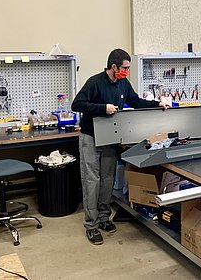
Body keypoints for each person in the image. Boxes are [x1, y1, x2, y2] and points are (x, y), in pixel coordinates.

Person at [71, 48, 169, 245]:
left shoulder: (123, 84)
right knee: (92, 181)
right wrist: (102, 108)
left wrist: (157, 104)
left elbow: (136, 101)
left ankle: (103, 218)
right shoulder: (95, 82)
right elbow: (77, 104)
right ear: (113, 66)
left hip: (109, 139)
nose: (127, 71)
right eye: (125, 68)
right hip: (90, 138)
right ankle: (91, 225)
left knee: (107, 180)